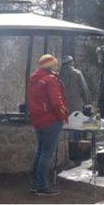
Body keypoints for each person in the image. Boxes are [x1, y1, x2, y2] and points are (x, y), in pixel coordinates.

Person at [28, 54, 69, 196]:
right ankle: (42, 186)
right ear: (50, 65)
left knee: (40, 151)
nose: (56, 66)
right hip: (51, 120)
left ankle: (35, 183)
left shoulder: (34, 79)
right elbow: (57, 102)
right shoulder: (50, 80)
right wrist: (63, 116)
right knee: (47, 154)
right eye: (55, 64)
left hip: (37, 119)